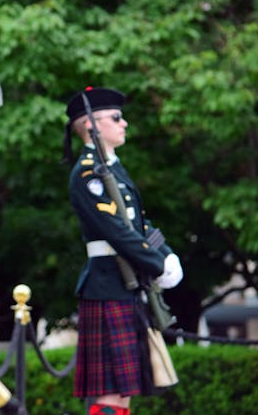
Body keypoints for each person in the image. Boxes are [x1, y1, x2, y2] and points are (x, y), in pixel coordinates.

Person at [63, 87, 183, 415]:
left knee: (124, 392)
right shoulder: (88, 173)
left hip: (126, 286)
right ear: (91, 125)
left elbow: (139, 226)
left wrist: (167, 254)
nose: (124, 123)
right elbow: (116, 232)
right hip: (108, 286)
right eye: (115, 118)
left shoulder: (114, 169)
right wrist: (157, 265)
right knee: (112, 393)